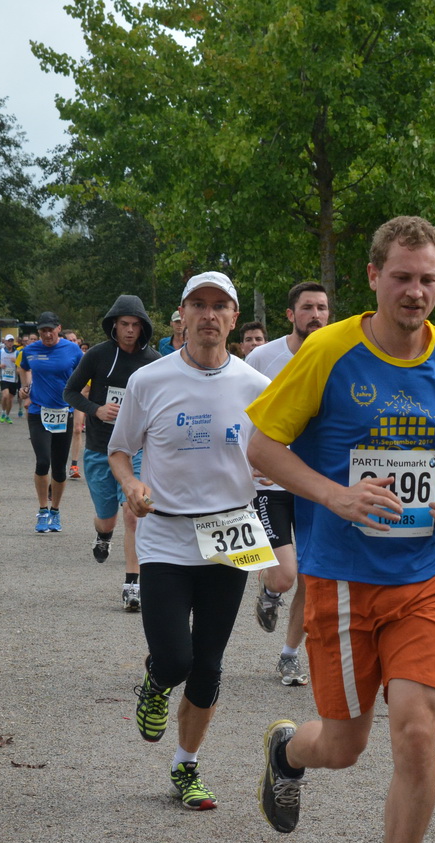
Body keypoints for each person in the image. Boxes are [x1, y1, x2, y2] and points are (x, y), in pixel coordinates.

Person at [247, 216, 435, 843]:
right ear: (374, 276)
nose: (415, 291)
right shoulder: (327, 352)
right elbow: (261, 446)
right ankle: (289, 752)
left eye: (428, 279)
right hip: (344, 579)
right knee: (344, 745)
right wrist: (337, 496)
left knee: (416, 729)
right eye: (402, 277)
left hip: (426, 573)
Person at [111, 272, 267, 810]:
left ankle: (186, 766)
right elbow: (119, 450)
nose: (208, 315)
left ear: (232, 318)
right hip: (167, 535)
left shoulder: (255, 386)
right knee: (175, 658)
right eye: (197, 305)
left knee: (209, 665)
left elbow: (273, 458)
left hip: (231, 533)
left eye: (219, 306)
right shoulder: (150, 381)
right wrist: (132, 484)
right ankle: (156, 684)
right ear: (181, 316)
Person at [246, 280, 334, 686]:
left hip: (316, 484)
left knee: (313, 577)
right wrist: (249, 461)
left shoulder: (337, 354)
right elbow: (240, 412)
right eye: (308, 308)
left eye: (322, 308)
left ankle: (289, 655)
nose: (316, 315)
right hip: (271, 485)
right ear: (291, 314)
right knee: (286, 575)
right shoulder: (264, 356)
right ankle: (269, 589)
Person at [66, 295, 161, 611]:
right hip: (100, 448)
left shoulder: (154, 361)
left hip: (137, 449)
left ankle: (132, 584)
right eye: (124, 325)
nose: (130, 331)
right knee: (107, 519)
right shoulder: (97, 356)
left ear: (143, 327)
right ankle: (103, 536)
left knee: (134, 515)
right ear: (114, 325)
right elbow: (69, 392)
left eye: (136, 325)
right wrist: (96, 409)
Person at [18, 312, 84, 534]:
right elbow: (24, 367)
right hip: (38, 411)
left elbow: (84, 373)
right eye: (43, 330)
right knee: (42, 461)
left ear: (59, 328)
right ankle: (42, 509)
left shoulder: (72, 350)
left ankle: (55, 510)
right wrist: (25, 388)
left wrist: (79, 394)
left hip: (64, 412)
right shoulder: (30, 350)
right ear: (38, 332)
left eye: (50, 329)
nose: (47, 334)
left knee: (58, 466)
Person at [0, 335, 19, 423]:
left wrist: (16, 361)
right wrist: (0, 365)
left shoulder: (17, 353)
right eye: (8, 341)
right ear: (5, 342)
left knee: (10, 399)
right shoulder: (0, 352)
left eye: (11, 341)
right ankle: (3, 412)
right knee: (5, 395)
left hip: (13, 378)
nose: (10, 343)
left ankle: (7, 415)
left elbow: (22, 364)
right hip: (4, 377)